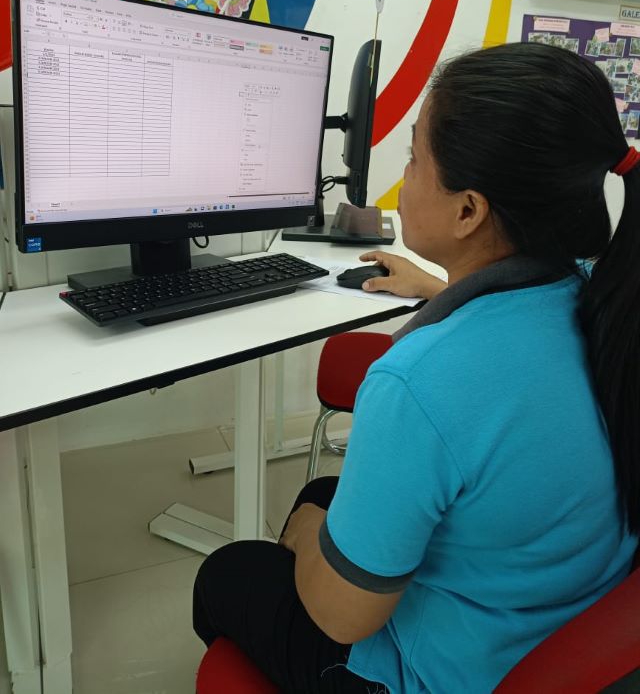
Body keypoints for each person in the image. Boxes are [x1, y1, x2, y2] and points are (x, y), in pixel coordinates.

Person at [193, 42, 639, 693]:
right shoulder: (607, 302)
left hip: (430, 675)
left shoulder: (416, 380)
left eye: (412, 158)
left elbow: (345, 616)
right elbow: (509, 351)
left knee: (231, 570)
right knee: (323, 492)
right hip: (553, 618)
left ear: (468, 210)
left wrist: (309, 537)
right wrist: (442, 287)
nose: (402, 180)